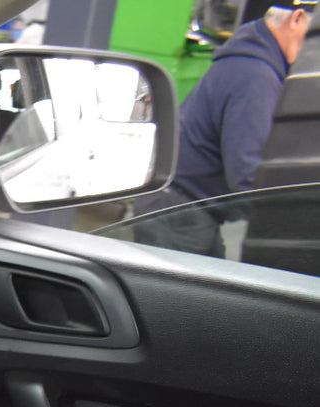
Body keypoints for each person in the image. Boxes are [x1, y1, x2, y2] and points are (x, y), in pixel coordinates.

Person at [133, 1, 314, 255]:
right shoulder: (256, 75)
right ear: (297, 19)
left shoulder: (250, 61)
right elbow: (248, 173)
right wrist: (294, 226)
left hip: (180, 207)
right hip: (180, 213)